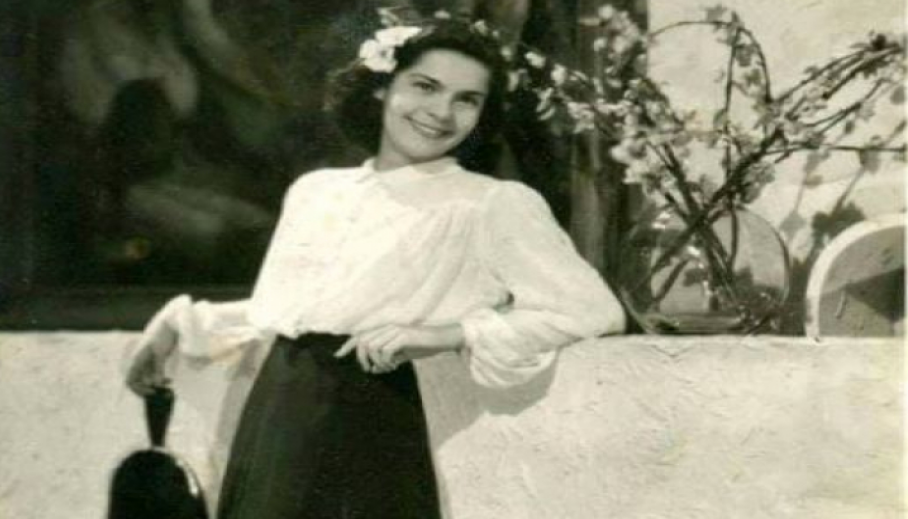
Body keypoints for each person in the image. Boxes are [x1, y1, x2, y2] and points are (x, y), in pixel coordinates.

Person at [126, 15, 625, 519]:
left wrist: (448, 333)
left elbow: (591, 310)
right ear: (382, 86)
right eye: (425, 86)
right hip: (278, 413)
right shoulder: (315, 192)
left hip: (375, 416)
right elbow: (283, 314)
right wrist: (179, 322)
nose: (442, 112)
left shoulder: (492, 203)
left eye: (467, 99)